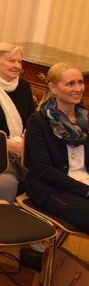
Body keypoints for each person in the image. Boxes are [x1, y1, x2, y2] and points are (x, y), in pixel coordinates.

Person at [25, 63, 89, 233]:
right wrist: (86, 191)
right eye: (70, 84)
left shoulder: (85, 120)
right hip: (51, 188)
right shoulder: (38, 122)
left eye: (80, 82)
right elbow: (45, 171)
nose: (78, 88)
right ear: (53, 88)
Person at [0, 42, 35, 202]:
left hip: (22, 149)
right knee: (7, 183)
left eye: (20, 61)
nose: (17, 65)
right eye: (11, 61)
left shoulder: (24, 87)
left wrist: (26, 143)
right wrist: (9, 146)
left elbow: (32, 121)